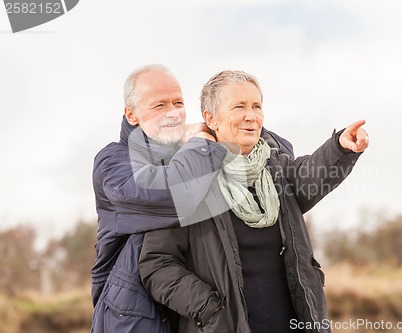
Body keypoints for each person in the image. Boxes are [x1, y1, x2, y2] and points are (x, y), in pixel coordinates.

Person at [139, 70, 369, 333]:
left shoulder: (278, 169)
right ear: (210, 118)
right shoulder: (188, 178)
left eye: (256, 106)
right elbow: (156, 264)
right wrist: (208, 309)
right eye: (239, 107)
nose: (251, 116)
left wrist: (341, 147)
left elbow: (310, 175)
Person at [90, 65, 294, 333]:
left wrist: (232, 126)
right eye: (159, 105)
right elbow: (173, 194)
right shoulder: (113, 162)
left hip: (185, 318)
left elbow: (281, 152)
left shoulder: (188, 151)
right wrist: (204, 141)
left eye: (178, 102)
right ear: (132, 115)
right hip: (133, 318)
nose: (173, 113)